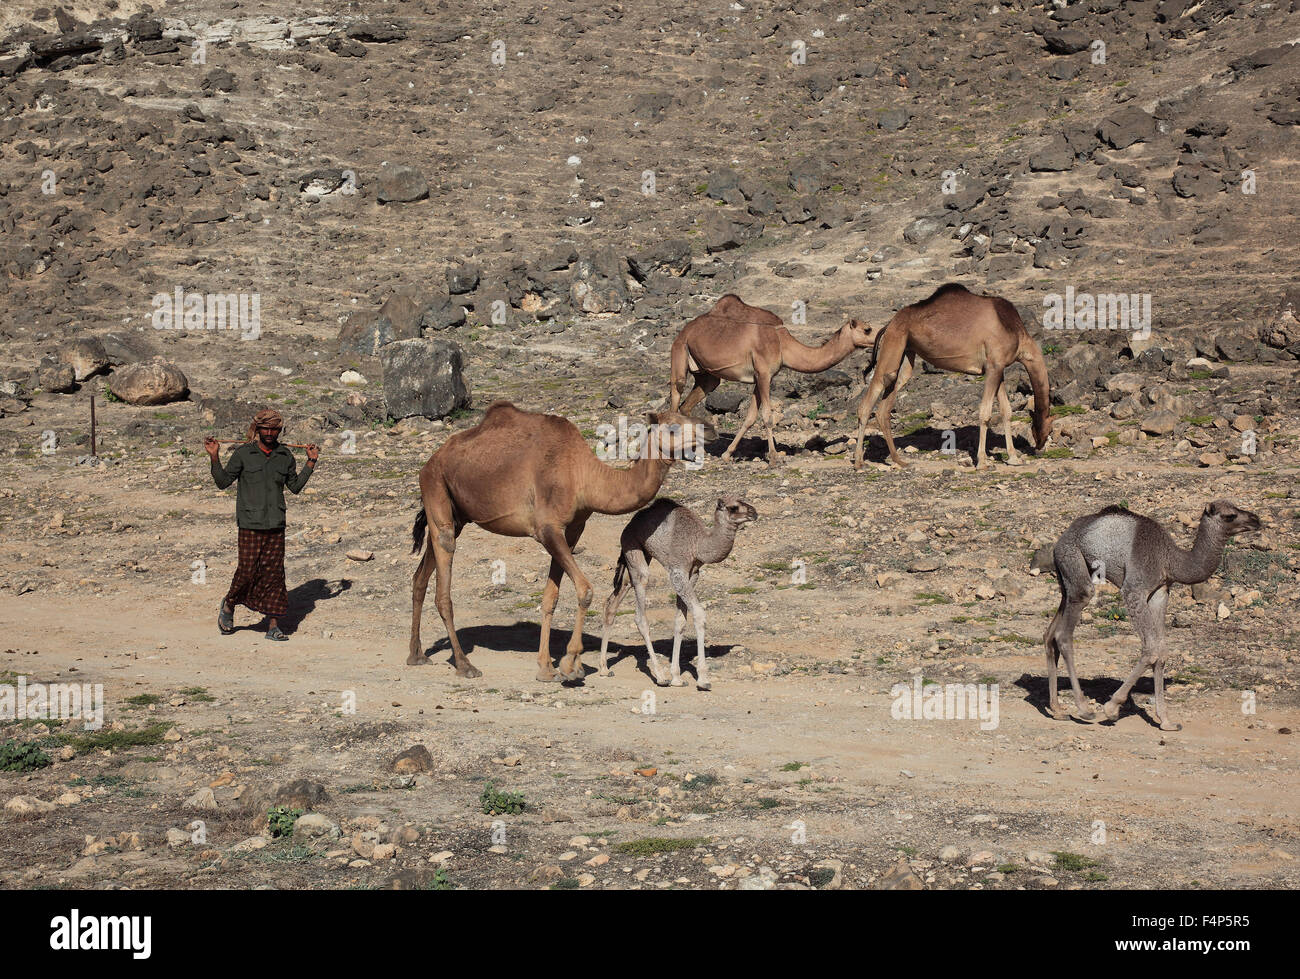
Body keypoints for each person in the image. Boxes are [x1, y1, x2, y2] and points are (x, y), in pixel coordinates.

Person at [204, 409, 319, 641]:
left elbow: (295, 487)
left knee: (274, 575)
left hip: (276, 523)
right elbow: (223, 482)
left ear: (279, 430)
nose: (269, 433)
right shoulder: (244, 454)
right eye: (265, 428)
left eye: (274, 429)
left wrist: (310, 462)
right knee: (246, 571)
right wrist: (214, 456)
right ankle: (229, 604)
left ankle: (273, 625)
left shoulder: (285, 456)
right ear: (257, 429)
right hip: (249, 523)